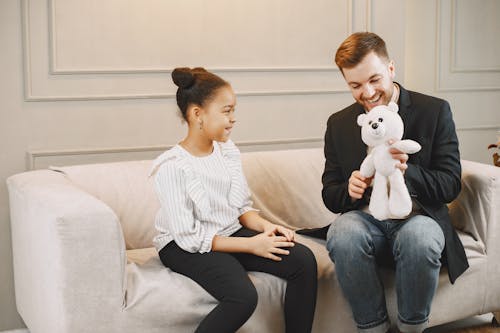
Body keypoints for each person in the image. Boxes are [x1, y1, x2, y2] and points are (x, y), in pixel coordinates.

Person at [150, 67, 317, 333]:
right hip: (184, 245)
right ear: (197, 114)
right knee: (243, 296)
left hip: (227, 231)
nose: (233, 119)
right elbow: (189, 238)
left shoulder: (227, 151)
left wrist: (265, 228)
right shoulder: (173, 167)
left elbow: (241, 208)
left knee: (303, 261)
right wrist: (251, 246)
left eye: (233, 111)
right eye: (226, 111)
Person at [321, 32, 468, 333]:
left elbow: (450, 184)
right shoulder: (338, 123)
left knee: (421, 237)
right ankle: (372, 327)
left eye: (374, 79)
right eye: (356, 85)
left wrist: (408, 169)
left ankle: (412, 328)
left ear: (391, 69)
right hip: (365, 222)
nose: (368, 92)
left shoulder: (435, 110)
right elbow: (330, 193)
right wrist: (348, 190)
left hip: (419, 218)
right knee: (342, 231)